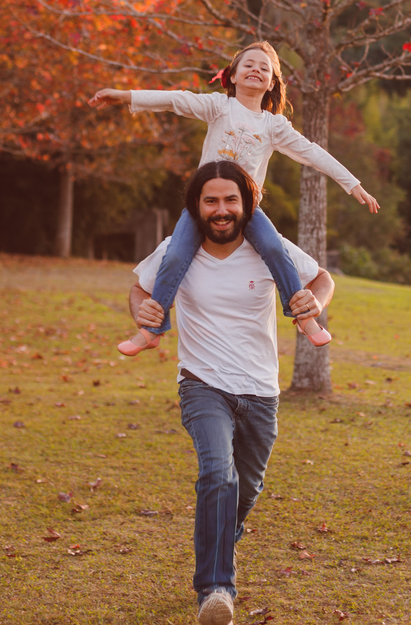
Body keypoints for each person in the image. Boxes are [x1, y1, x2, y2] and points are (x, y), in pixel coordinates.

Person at [129, 161, 335, 625]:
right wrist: (142, 311)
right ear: (196, 207)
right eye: (210, 201)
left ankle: (224, 531)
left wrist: (316, 300)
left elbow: (322, 278)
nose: (220, 210)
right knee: (218, 476)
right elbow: (139, 290)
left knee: (247, 488)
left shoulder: (270, 250)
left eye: (229, 200)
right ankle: (215, 590)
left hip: (260, 390)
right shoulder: (175, 251)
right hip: (202, 383)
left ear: (246, 205)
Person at [90, 40, 376, 354]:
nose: (256, 70)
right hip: (203, 208)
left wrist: (352, 184)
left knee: (274, 249)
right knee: (174, 257)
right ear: (233, 76)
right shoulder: (218, 107)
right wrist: (125, 96)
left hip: (247, 210)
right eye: (248, 65)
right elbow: (175, 100)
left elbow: (312, 152)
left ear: (272, 83)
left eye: (264, 68)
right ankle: (151, 330)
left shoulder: (273, 125)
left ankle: (304, 318)